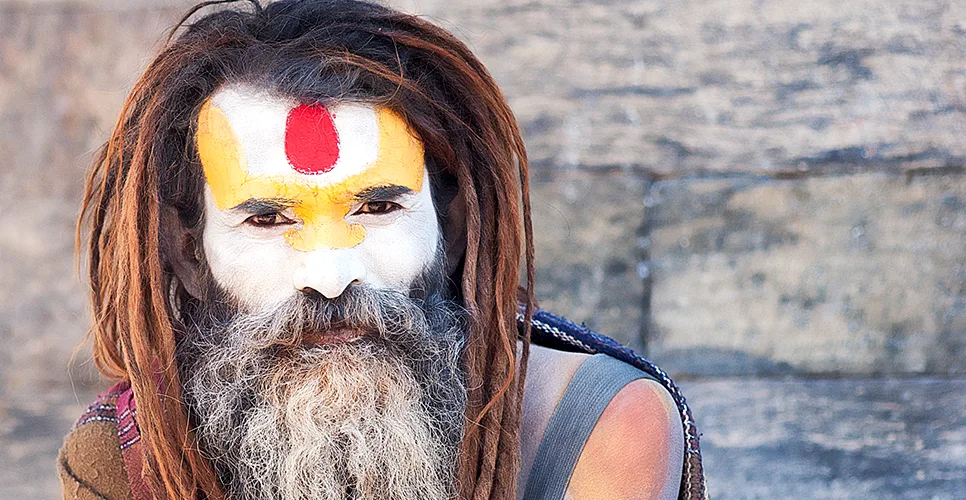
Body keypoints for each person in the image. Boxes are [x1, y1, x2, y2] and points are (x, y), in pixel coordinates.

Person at [58, 1, 707, 499]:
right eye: (267, 219)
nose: (331, 276)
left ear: (450, 224)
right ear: (189, 252)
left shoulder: (601, 426)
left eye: (377, 208)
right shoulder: (128, 458)